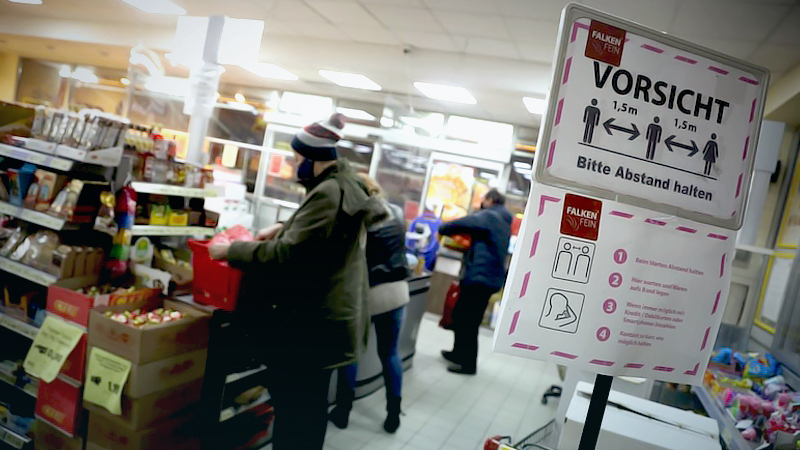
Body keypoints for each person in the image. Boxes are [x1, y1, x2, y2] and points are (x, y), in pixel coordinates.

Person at [208, 113, 385, 450]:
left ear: (315, 160)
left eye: (298, 158)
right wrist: (284, 226)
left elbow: (287, 256)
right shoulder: (343, 184)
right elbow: (318, 237)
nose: (294, 164)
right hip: (328, 322)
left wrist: (231, 251)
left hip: (312, 327)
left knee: (296, 413)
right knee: (308, 410)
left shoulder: (328, 193)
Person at [329, 174, 410, 433]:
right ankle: (393, 415)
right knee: (390, 354)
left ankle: (342, 412)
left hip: (370, 294)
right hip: (398, 292)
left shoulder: (360, 216)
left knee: (351, 353)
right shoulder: (396, 212)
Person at [439, 189, 512, 375]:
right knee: (462, 316)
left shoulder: (491, 216)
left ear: (491, 200)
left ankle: (468, 364)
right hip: (483, 277)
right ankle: (458, 354)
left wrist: (443, 228)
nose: (481, 204)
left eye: (483, 200)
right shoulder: (501, 219)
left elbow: (463, 223)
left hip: (481, 278)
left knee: (468, 322)